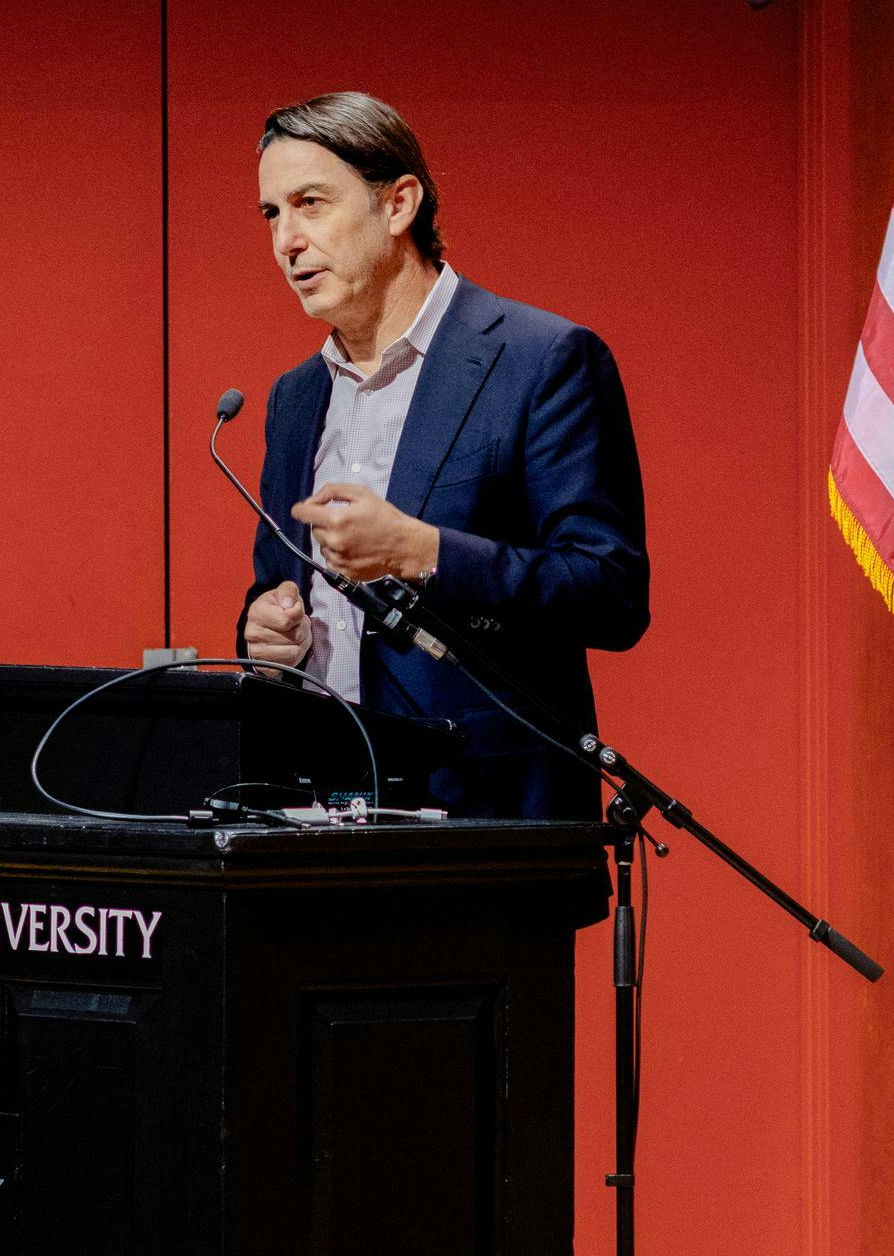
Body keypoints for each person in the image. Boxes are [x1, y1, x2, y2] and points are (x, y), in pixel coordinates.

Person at [236, 91, 649, 820]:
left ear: (397, 205)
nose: (286, 240)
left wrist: (423, 551)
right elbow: (281, 585)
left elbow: (610, 593)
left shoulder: (540, 361)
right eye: (273, 214)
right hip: (311, 824)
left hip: (485, 821)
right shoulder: (294, 399)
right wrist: (270, 634)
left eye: (310, 203)